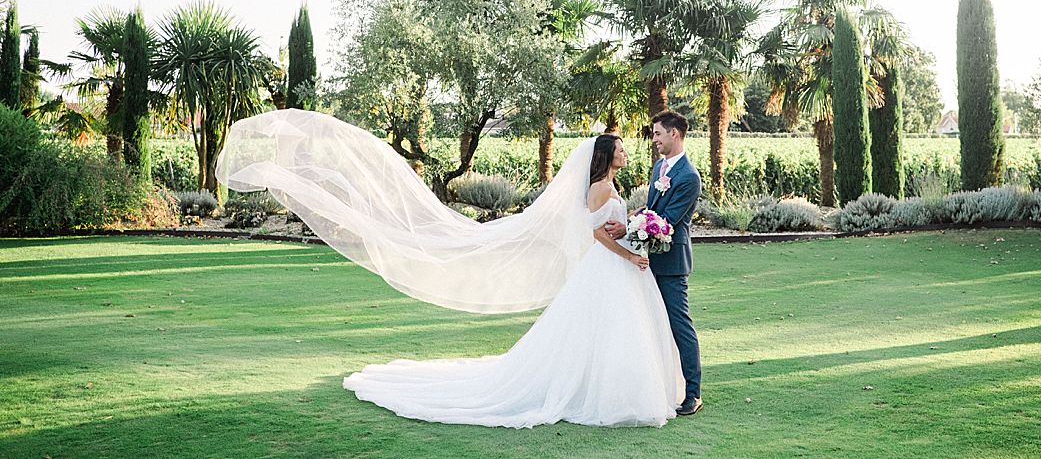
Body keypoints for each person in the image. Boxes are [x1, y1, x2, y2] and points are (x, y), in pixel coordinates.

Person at [216, 116, 683, 428]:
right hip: (614, 265)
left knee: (610, 333)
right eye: (619, 147)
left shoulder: (612, 185)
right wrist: (629, 250)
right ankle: (609, 396)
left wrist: (633, 235)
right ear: (605, 156)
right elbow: (595, 233)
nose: (626, 149)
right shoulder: (600, 188)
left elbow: (609, 228)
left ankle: (611, 389)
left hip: (619, 267)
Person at [604, 110, 703, 416]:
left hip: (672, 263)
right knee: (647, 326)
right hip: (647, 260)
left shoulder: (688, 176)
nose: (655, 139)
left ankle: (693, 393)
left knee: (679, 326)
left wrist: (625, 229)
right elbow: (651, 208)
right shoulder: (659, 167)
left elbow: (667, 221)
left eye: (658, 133)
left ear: (675, 134)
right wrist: (632, 218)